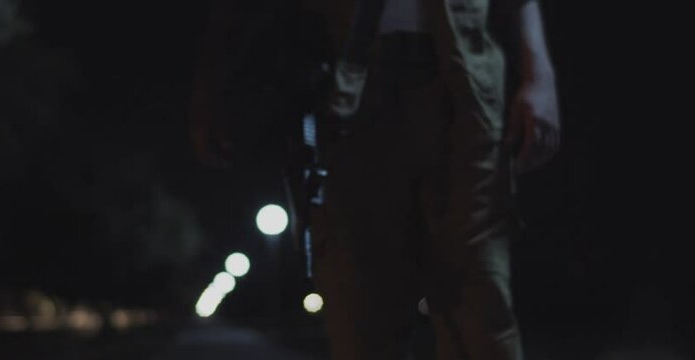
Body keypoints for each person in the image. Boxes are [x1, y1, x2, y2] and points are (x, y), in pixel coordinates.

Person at [189, 0, 560, 358]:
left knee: (480, 311)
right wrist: (210, 83)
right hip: (341, 88)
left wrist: (539, 75)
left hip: (465, 87)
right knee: (361, 315)